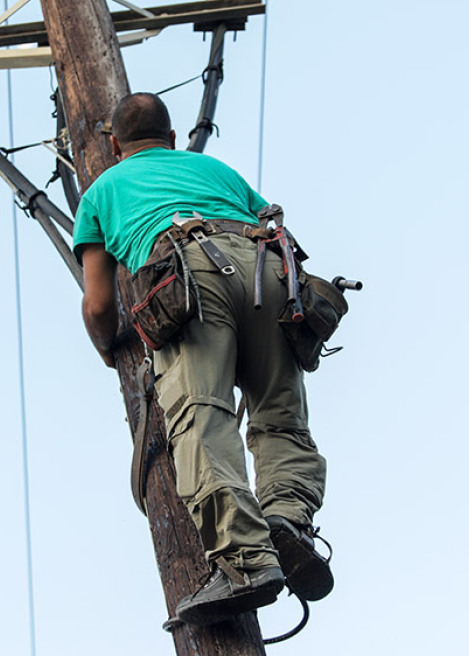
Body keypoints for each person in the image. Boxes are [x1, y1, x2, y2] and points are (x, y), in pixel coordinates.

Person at [73, 92, 331, 626]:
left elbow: (99, 303)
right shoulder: (215, 169)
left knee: (201, 413)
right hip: (269, 271)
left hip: (188, 275)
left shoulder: (101, 190)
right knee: (279, 416)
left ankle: (245, 561)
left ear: (115, 145)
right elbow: (270, 220)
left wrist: (107, 345)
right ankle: (287, 519)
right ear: (170, 139)